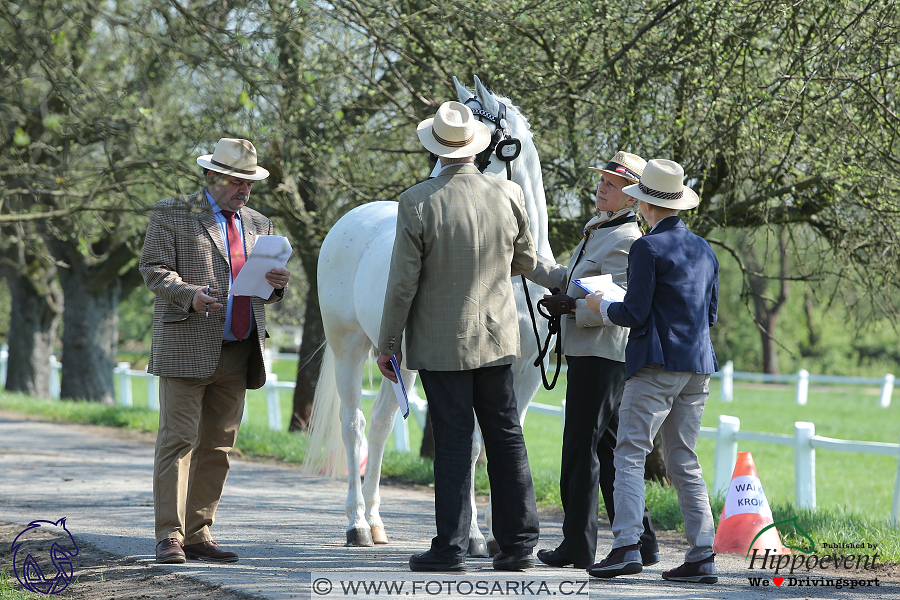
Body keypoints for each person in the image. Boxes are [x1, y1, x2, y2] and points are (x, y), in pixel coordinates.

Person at [376, 101, 540, 573]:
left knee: (452, 440)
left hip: (441, 341)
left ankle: (449, 547)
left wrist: (388, 344)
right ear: (476, 147)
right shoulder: (508, 193)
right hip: (495, 336)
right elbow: (525, 261)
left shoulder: (417, 201)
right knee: (507, 437)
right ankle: (518, 547)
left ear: (438, 149)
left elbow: (402, 282)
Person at [139, 138, 290, 564]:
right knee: (179, 441)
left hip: (241, 349)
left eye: (250, 182)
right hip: (187, 344)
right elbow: (153, 270)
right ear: (211, 175)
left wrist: (278, 285)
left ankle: (199, 533)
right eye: (237, 181)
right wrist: (189, 295)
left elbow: (262, 289)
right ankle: (170, 535)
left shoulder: (261, 223)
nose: (244, 190)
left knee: (219, 447)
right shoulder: (172, 212)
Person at [585, 159, 719, 583]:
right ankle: (702, 554)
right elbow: (710, 314)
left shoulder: (646, 247)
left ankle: (626, 545)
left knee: (628, 454)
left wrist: (600, 305)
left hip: (655, 364)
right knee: (685, 460)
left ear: (644, 204)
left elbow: (634, 313)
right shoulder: (704, 248)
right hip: (697, 365)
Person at [525, 151, 659, 570]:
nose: (602, 187)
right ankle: (645, 542)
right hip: (592, 354)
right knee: (607, 450)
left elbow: (617, 301)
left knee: (580, 450)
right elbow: (575, 280)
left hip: (602, 354)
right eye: (602, 180)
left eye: (612, 184)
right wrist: (525, 262)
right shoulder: (600, 231)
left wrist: (571, 308)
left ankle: (577, 545)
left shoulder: (625, 240)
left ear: (632, 199)